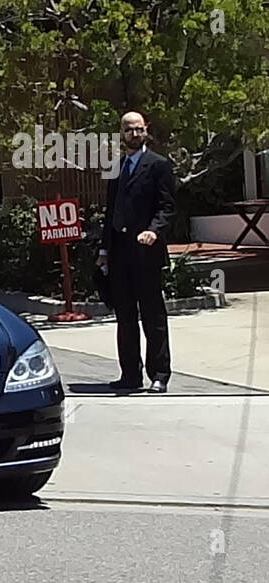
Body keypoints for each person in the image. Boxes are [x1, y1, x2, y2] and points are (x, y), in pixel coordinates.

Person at [98, 111, 176, 393]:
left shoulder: (158, 165)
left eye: (139, 129)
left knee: (153, 316)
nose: (135, 134)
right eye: (130, 130)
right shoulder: (116, 168)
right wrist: (104, 249)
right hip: (120, 255)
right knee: (125, 318)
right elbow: (111, 212)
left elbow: (167, 207)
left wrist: (154, 230)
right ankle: (130, 375)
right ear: (122, 133)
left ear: (146, 131)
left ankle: (159, 374)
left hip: (147, 253)